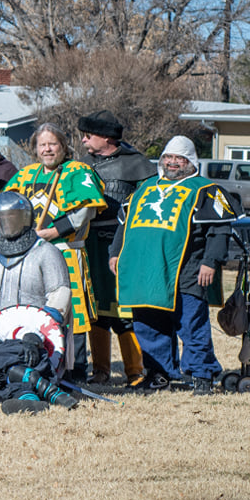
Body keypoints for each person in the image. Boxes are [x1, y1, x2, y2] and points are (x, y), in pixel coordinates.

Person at [112, 135, 238, 394]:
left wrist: (210, 262)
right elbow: (123, 225)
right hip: (145, 269)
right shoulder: (145, 187)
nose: (172, 162)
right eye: (168, 157)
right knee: (148, 323)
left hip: (188, 269)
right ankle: (158, 373)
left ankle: (202, 374)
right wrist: (116, 253)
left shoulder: (206, 190)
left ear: (191, 162)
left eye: (179, 158)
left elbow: (219, 230)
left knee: (191, 323)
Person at [5, 124, 105, 361]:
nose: (47, 150)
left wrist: (52, 232)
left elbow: (84, 213)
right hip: (31, 253)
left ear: (63, 146)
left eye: (52, 144)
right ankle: (40, 360)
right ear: (35, 149)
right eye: (42, 145)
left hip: (66, 250)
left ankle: (74, 366)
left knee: (71, 311)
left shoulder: (77, 171)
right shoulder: (26, 174)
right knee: (36, 307)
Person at [76, 111, 154, 387]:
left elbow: (146, 207)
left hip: (123, 245)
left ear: (107, 137)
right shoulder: (82, 166)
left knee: (124, 311)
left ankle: (135, 371)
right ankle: (100, 371)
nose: (83, 140)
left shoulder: (139, 165)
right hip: (90, 245)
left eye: (88, 135)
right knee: (96, 310)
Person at [0, 190, 72, 324]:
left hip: (37, 332)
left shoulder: (46, 252)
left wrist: (43, 325)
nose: (6, 222)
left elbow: (59, 294)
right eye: (2, 217)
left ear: (25, 217)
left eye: (11, 216)